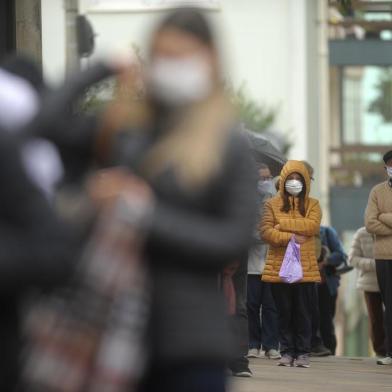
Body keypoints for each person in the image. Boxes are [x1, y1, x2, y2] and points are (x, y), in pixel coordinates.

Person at [260, 160, 321, 368]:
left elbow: (312, 226)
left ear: (305, 182)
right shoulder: (271, 204)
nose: (294, 182)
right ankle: (287, 351)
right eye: (291, 178)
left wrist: (283, 225)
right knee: (284, 311)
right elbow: (266, 231)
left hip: (305, 268)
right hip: (279, 267)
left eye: (298, 179)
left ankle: (303, 352)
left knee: (303, 312)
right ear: (283, 180)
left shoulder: (313, 204)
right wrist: (292, 238)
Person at [247, 163, 280, 360]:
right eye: (262, 178)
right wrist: (265, 233)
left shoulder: (277, 202)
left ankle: (271, 345)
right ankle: (252, 344)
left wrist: (267, 233)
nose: (265, 182)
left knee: (271, 306)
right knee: (251, 305)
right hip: (250, 265)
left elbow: (281, 229)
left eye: (268, 178)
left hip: (272, 263)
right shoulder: (245, 202)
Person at [365, 150, 392, 365]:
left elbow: (378, 220)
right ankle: (390, 352)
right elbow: (370, 223)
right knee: (389, 305)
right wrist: (379, 218)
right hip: (384, 256)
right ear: (386, 168)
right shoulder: (377, 191)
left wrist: (384, 216)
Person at [349, 227, 386, 358]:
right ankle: (381, 351)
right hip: (370, 284)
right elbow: (352, 259)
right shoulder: (361, 233)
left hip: (389, 282)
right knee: (375, 318)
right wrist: (375, 264)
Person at [317, 225, 348, 356]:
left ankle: (329, 353)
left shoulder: (327, 232)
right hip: (305, 285)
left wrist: (325, 261)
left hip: (325, 286)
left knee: (326, 321)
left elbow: (341, 255)